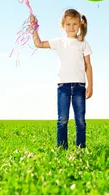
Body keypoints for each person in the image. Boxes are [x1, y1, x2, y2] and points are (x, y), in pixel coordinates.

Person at [30, 9, 93, 149]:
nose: (71, 27)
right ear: (63, 25)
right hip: (63, 86)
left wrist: (90, 86)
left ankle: (81, 148)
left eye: (75, 24)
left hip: (79, 86)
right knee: (62, 119)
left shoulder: (83, 43)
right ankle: (62, 149)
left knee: (80, 120)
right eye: (68, 24)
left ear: (80, 24)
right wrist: (34, 28)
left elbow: (88, 65)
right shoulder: (59, 42)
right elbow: (38, 44)